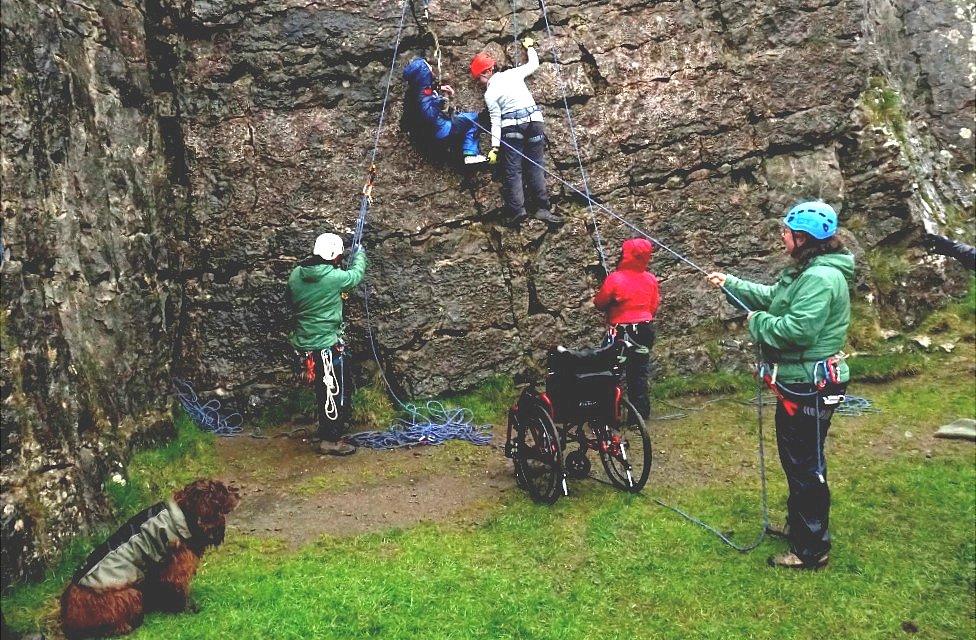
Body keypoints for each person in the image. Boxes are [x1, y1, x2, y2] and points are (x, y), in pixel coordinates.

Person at [707, 201, 854, 570]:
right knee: (799, 461)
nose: (782, 236)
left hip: (808, 385)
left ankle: (810, 550)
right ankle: (802, 529)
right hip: (800, 383)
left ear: (802, 238)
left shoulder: (820, 279)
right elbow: (776, 298)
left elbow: (797, 331)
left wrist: (757, 323)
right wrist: (731, 284)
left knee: (805, 465)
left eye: (786, 232)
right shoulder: (809, 272)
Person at [287, 232, 367, 456]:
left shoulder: (296, 275)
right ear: (334, 257)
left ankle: (327, 431)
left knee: (324, 390)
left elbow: (289, 300)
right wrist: (359, 254)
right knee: (335, 393)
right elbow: (355, 275)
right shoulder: (333, 278)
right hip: (326, 346)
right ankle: (330, 440)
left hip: (304, 345)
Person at [471, 38, 563, 225]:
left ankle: (518, 211)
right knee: (535, 164)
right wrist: (529, 47)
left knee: (513, 170)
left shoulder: (489, 94)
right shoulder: (513, 74)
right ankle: (542, 209)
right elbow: (533, 64)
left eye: (479, 76)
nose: (479, 82)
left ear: (488, 71)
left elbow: (496, 121)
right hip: (535, 121)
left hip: (513, 126)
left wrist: (495, 148)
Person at [593, 238, 661, 422]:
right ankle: (639, 415)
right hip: (645, 330)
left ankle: (608, 414)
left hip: (621, 332)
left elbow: (600, 303)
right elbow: (653, 307)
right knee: (638, 372)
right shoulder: (650, 279)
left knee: (610, 370)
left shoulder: (615, 279)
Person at [402, 58, 487, 165]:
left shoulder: (417, 90)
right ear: (424, 74)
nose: (432, 70)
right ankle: (470, 153)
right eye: (429, 69)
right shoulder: (422, 97)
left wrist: (440, 88)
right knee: (474, 118)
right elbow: (428, 114)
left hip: (437, 130)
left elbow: (428, 90)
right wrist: (439, 102)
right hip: (443, 130)